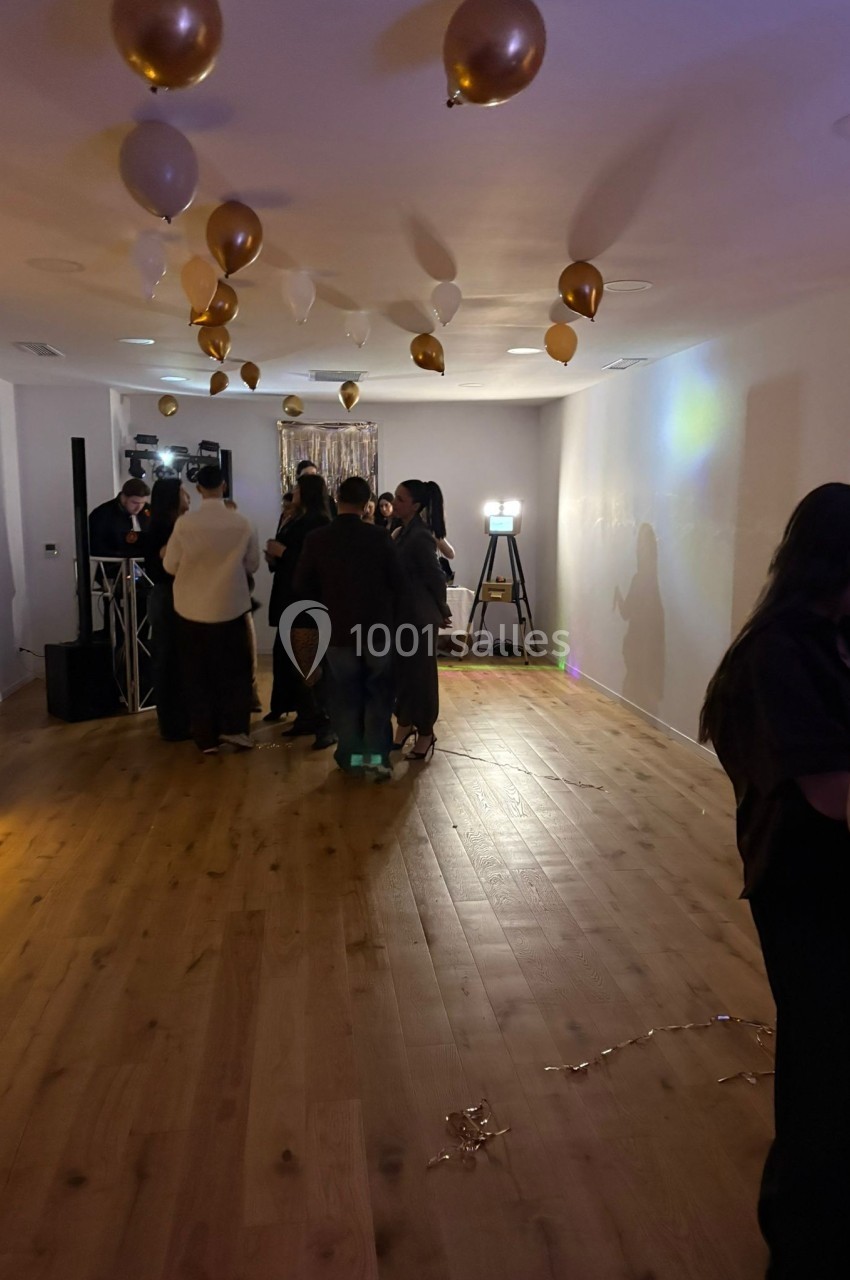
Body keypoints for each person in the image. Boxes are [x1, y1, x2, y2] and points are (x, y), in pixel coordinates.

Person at [698, 483, 850, 1280]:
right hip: (806, 884)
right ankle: (802, 1238)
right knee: (823, 1061)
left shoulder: (833, 632)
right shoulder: (780, 651)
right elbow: (830, 792)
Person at [295, 476, 405, 779]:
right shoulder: (379, 538)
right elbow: (398, 583)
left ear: (337, 498)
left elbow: (302, 585)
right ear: (367, 503)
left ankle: (351, 758)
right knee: (379, 695)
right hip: (377, 630)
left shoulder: (318, 539)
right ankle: (377, 760)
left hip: (338, 630)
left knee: (345, 696)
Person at [163, 465, 259, 754]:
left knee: (197, 675)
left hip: (191, 609)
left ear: (199, 489)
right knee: (236, 673)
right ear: (224, 486)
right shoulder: (243, 522)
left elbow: (170, 565)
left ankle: (206, 737)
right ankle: (237, 730)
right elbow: (252, 565)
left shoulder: (185, 524)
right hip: (230, 607)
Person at [266, 474, 334, 748]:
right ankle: (306, 717)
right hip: (290, 597)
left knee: (310, 662)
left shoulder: (318, 523)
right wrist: (274, 557)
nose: (292, 491)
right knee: (296, 662)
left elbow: (315, 564)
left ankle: (325, 724)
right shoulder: (295, 519)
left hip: (306, 602)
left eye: (296, 488)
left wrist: (282, 554)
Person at [390, 479, 452, 761]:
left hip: (417, 617)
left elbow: (436, 576)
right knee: (403, 676)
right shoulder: (404, 532)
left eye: (401, 499)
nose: (395, 501)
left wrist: (443, 610)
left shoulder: (420, 536)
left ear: (415, 505)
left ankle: (425, 731)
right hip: (403, 615)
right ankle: (404, 725)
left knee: (421, 678)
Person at [144, 479, 191, 742]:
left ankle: (179, 719)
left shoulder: (174, 526)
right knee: (169, 659)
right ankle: (173, 724)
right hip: (169, 597)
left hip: (174, 596)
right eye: (184, 492)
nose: (188, 496)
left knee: (176, 658)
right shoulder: (165, 527)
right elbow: (165, 561)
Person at [264, 492, 299, 722]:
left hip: (296, 595)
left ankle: (295, 708)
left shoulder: (305, 525)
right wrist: (273, 559)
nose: (286, 510)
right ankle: (281, 704)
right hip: (285, 592)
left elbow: (301, 559)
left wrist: (282, 553)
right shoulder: (287, 523)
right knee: (282, 653)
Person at [89, 477, 150, 558]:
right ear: (124, 497)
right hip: (113, 567)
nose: (139, 507)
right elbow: (95, 547)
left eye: (143, 503)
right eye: (135, 502)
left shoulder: (149, 511)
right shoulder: (102, 514)